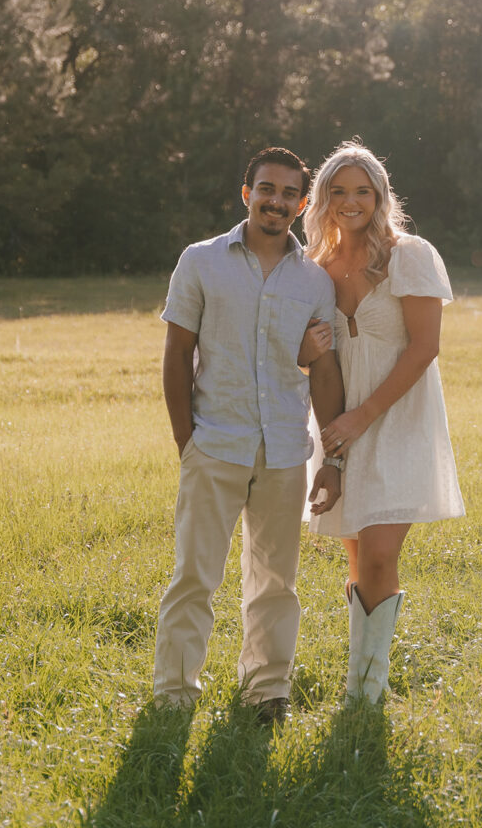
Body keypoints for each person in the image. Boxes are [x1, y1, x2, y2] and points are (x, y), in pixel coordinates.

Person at [154, 147, 344, 724]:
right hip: (215, 443)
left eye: (290, 193)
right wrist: (188, 439)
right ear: (247, 193)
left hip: (285, 451)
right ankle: (174, 695)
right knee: (194, 575)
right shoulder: (201, 261)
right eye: (267, 189)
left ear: (303, 204)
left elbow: (324, 370)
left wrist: (332, 460)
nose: (277, 201)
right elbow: (177, 353)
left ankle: (266, 693)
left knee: (275, 582)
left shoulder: (315, 279)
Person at [298, 140, 465, 703]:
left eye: (361, 191)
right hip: (340, 424)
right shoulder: (317, 268)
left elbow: (424, 349)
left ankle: (366, 691)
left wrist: (363, 418)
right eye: (338, 191)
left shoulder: (409, 254)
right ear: (322, 200)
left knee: (379, 553)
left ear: (380, 196)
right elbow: (316, 358)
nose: (351, 201)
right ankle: (361, 682)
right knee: (354, 554)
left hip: (395, 418)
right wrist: (337, 435)